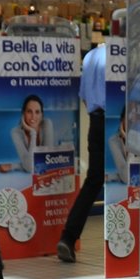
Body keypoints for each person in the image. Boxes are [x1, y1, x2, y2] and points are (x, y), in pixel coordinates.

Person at [56, 41, 105, 263]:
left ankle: (68, 237)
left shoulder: (91, 56)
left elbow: (84, 97)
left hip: (96, 122)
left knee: (94, 180)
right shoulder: (123, 56)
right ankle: (129, 243)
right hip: (121, 123)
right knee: (129, 182)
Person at [6, 93, 54, 171]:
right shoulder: (15, 132)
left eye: (37, 112)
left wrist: (14, 166)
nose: (33, 116)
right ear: (23, 113)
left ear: (42, 114)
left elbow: (48, 162)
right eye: (29, 111)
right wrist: (33, 133)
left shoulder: (47, 124)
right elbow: (29, 167)